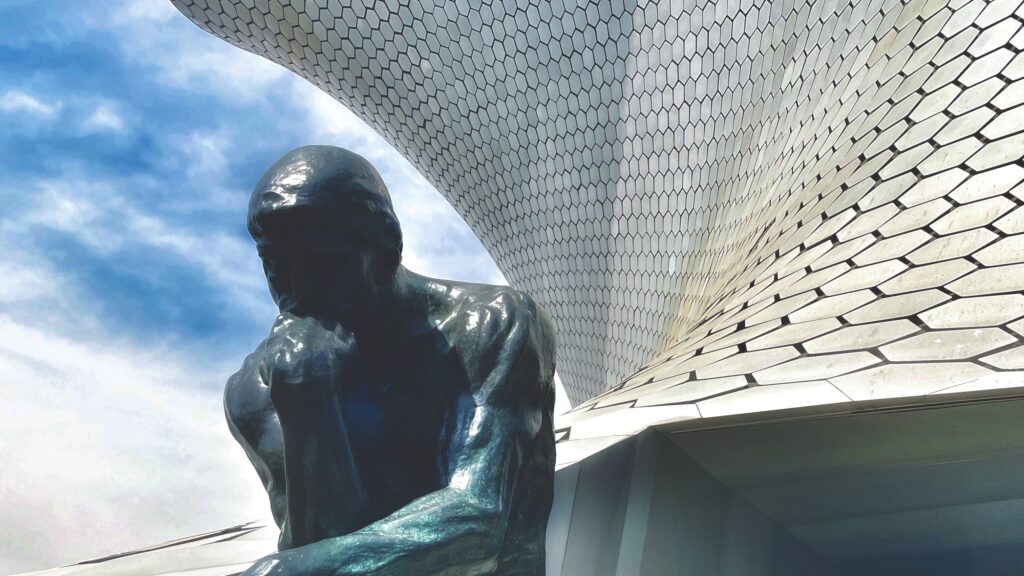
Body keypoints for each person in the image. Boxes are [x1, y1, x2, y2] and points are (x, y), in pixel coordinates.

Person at [224, 145, 556, 575]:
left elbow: (479, 518)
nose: (298, 289)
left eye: (326, 262)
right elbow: (320, 541)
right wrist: (309, 401)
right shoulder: (258, 390)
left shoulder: (491, 323)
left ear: (388, 244)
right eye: (274, 264)